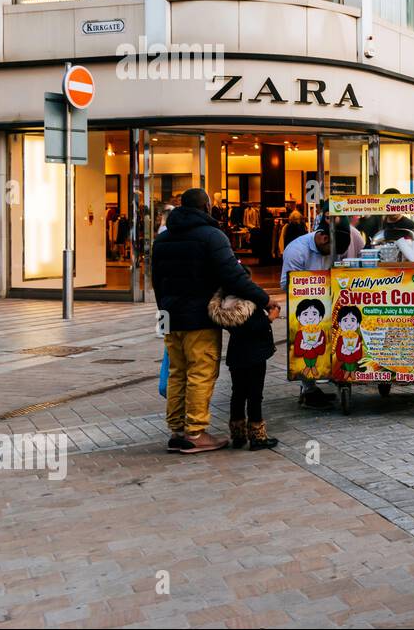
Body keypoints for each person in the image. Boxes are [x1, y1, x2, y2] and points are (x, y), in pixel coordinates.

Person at [152, 188, 271, 453]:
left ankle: (177, 430)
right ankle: (195, 433)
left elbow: (156, 282)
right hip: (199, 319)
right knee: (200, 373)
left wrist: (163, 316)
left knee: (177, 373)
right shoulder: (211, 236)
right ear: (206, 206)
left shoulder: (162, 240)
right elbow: (233, 277)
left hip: (171, 316)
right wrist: (264, 299)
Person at [280, 216, 359, 409]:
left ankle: (321, 384)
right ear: (323, 238)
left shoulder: (334, 245)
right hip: (307, 307)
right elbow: (286, 284)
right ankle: (309, 391)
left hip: (329, 303)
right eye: (332, 251)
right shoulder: (297, 251)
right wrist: (313, 286)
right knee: (308, 347)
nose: (333, 256)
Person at [216, 265, 282, 451]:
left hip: (236, 355)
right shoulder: (245, 306)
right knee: (254, 394)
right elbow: (252, 328)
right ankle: (257, 436)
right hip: (254, 354)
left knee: (238, 393)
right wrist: (271, 318)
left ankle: (238, 434)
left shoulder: (225, 305)